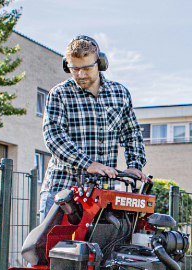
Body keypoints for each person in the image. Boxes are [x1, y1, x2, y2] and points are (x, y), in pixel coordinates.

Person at [40, 35, 149, 222]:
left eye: (87, 68)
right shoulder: (59, 94)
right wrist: (88, 164)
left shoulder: (119, 94)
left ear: (100, 64)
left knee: (104, 249)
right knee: (50, 249)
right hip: (62, 190)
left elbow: (131, 133)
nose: (81, 75)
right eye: (74, 69)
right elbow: (54, 137)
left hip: (103, 193)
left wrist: (134, 165)